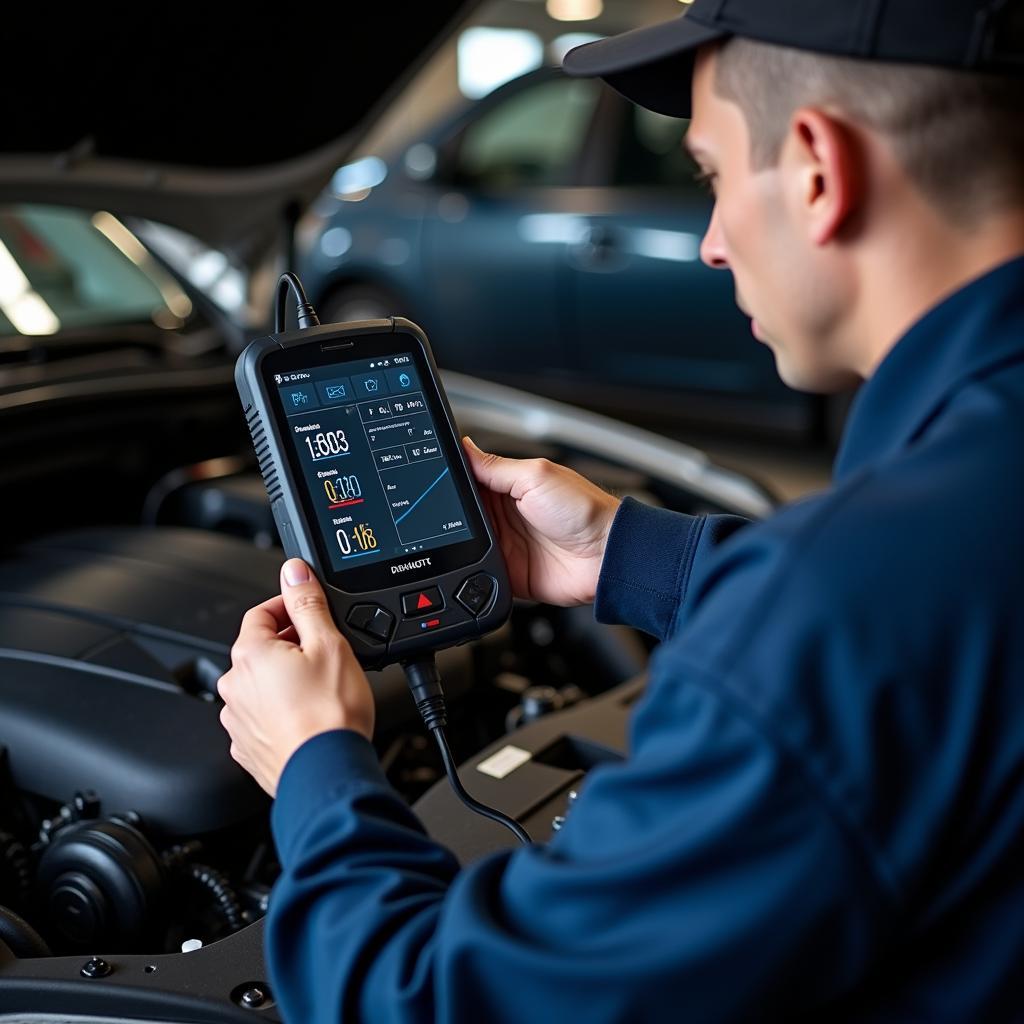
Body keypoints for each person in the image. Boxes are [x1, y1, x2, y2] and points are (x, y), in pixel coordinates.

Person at [217, 1, 1024, 1019]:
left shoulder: (832, 618)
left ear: (818, 169)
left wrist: (315, 770)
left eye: (712, 178)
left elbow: (426, 1001)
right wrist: (627, 554)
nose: (712, 245)